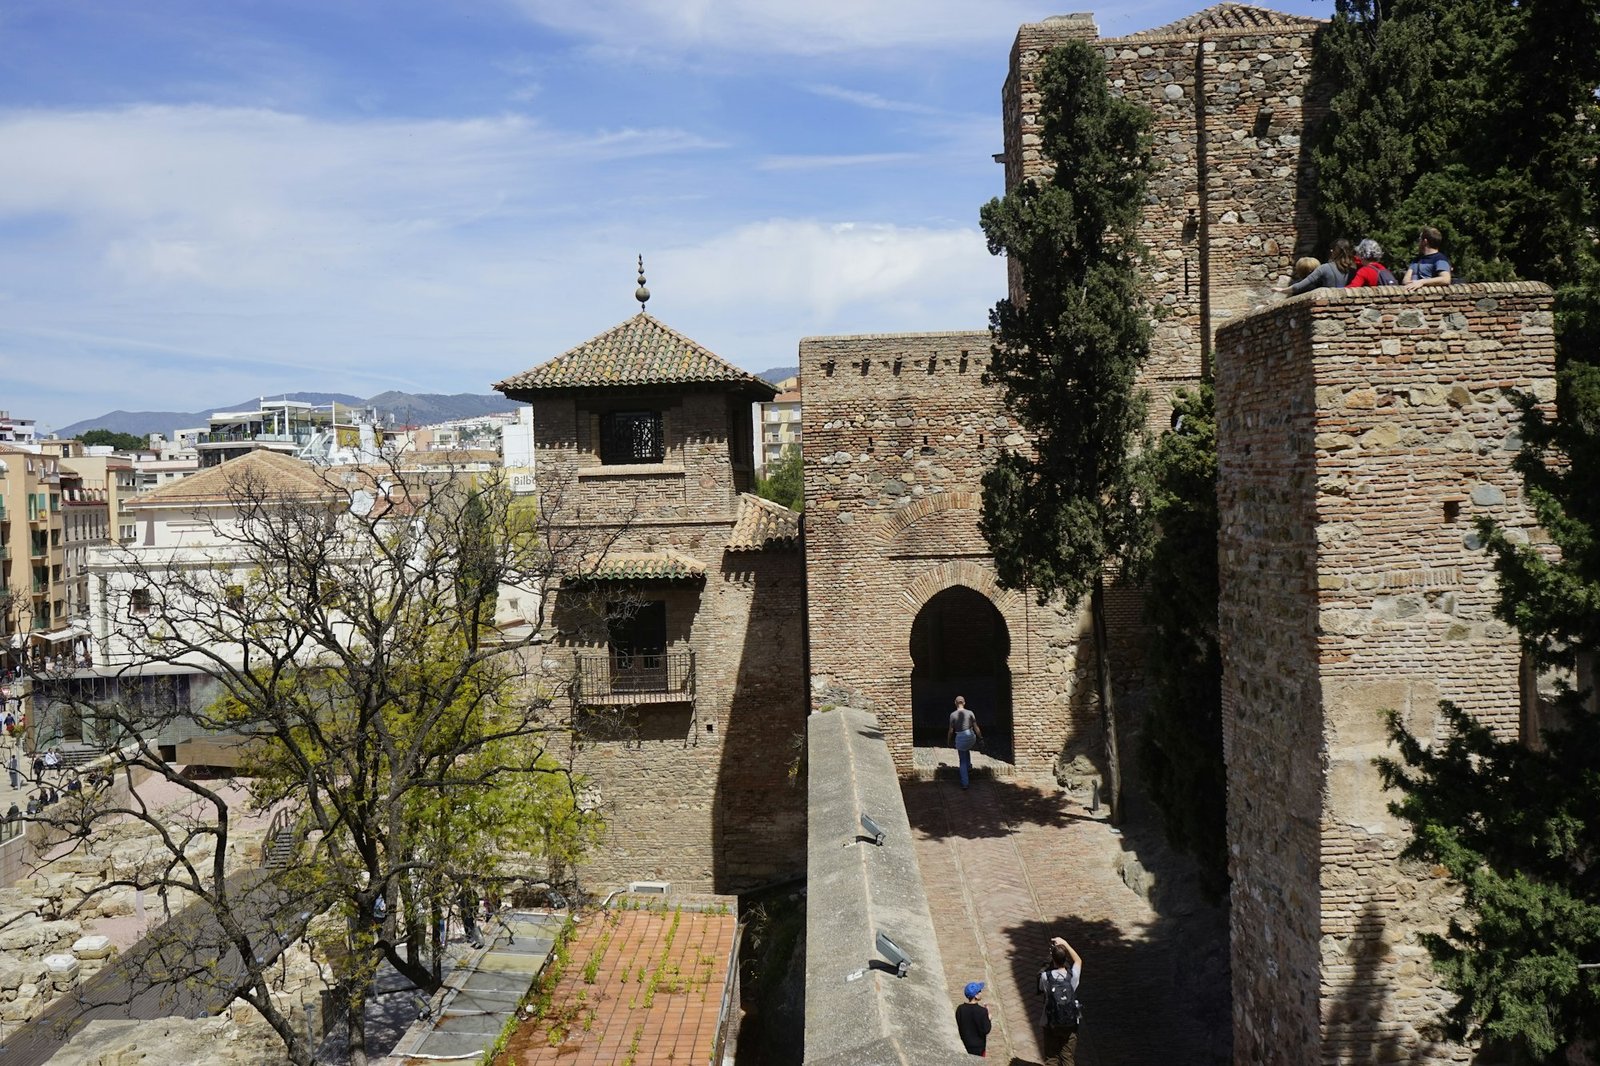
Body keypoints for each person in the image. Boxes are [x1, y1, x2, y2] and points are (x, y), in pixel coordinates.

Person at [1038, 935, 1083, 1066]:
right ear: (1065, 959)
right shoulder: (1072, 976)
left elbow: (1042, 989)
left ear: (1053, 958)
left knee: (1051, 1057)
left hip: (1051, 1021)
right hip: (1070, 1022)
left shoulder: (1045, 976)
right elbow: (1078, 961)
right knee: (1067, 1056)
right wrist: (1065, 944)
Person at [1276, 238, 1355, 294]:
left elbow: (1300, 286)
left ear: (1335, 251)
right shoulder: (1353, 270)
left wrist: (1282, 290)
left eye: (1333, 249)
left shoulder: (1325, 268)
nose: (1331, 251)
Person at [947, 696, 983, 790]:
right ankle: (969, 766)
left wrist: (948, 741)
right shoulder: (970, 713)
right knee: (966, 748)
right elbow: (976, 727)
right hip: (971, 736)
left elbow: (951, 730)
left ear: (955, 703)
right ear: (964, 703)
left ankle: (965, 783)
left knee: (962, 759)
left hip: (961, 737)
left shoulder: (953, 715)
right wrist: (980, 738)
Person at [955, 980, 992, 1056]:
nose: (981, 993)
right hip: (979, 1046)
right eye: (979, 991)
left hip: (965, 1043)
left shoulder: (960, 1009)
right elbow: (986, 1030)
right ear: (976, 996)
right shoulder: (982, 1011)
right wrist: (988, 1018)